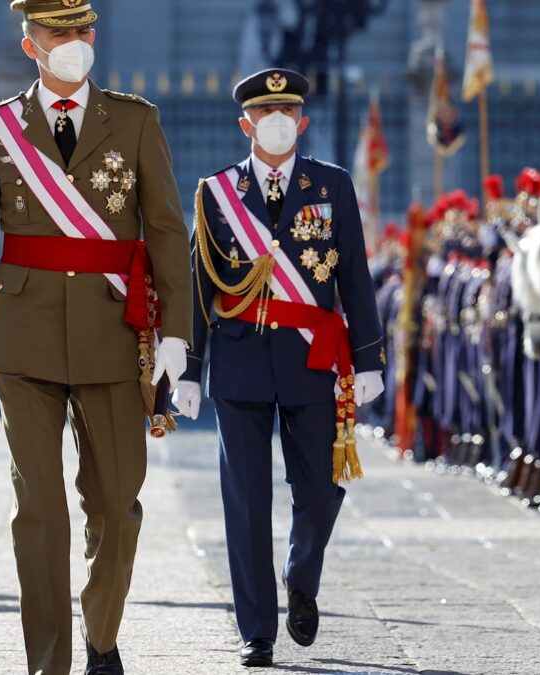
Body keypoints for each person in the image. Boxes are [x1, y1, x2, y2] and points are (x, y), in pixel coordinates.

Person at [0, 2, 192, 673]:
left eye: (84, 30)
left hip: (114, 334)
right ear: (30, 44)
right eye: (60, 33)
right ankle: (50, 660)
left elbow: (168, 230)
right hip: (24, 339)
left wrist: (176, 334)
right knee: (40, 511)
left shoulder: (135, 120)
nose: (75, 43)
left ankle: (101, 633)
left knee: (117, 506)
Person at [173, 68, 386, 668]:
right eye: (265, 114)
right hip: (239, 361)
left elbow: (356, 279)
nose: (276, 122)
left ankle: (301, 574)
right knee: (245, 501)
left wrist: (368, 357)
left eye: (287, 112)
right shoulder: (215, 194)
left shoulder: (332, 186)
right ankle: (256, 630)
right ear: (245, 125)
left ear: (302, 121)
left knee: (320, 489)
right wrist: (189, 368)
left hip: (311, 360)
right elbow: (197, 287)